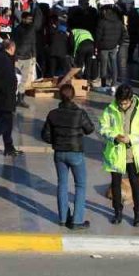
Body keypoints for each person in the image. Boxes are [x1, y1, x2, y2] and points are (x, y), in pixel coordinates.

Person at [99, 84, 139, 227]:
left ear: (131, 99)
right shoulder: (110, 109)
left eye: (125, 103)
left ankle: (138, 215)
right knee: (115, 184)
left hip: (133, 154)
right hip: (116, 154)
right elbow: (103, 128)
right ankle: (117, 212)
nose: (122, 105)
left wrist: (131, 138)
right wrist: (114, 136)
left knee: (135, 184)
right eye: (120, 103)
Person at [42, 82, 95, 229]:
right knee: (80, 185)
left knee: (62, 184)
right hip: (75, 152)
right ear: (73, 96)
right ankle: (77, 220)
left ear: (60, 96)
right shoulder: (79, 113)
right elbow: (90, 129)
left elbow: (45, 135)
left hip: (59, 153)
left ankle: (63, 218)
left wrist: (57, 140)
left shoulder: (52, 114)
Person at [12, 5, 43, 106]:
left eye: (31, 19)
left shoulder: (32, 29)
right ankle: (12, 97)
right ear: (23, 19)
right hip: (18, 57)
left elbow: (33, 43)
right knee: (15, 78)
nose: (30, 21)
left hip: (28, 57)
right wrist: (15, 57)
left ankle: (20, 98)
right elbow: (14, 44)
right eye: (28, 19)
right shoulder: (17, 30)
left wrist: (34, 56)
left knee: (24, 79)